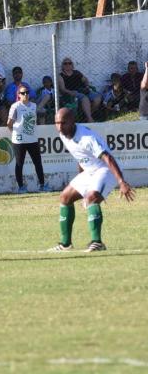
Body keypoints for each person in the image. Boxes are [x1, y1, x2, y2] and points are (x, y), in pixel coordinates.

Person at [48, 108, 135, 253]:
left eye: (63, 123)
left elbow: (108, 158)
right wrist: (81, 181)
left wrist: (121, 182)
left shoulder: (87, 137)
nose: (59, 127)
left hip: (104, 170)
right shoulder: (63, 134)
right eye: (57, 123)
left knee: (91, 198)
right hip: (90, 171)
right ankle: (65, 244)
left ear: (72, 122)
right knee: (65, 197)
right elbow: (80, 156)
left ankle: (97, 242)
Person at [7, 86, 50, 194]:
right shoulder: (15, 106)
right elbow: (9, 123)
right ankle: (21, 187)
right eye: (23, 93)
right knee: (19, 163)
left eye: (27, 92)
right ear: (19, 95)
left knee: (38, 162)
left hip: (32, 139)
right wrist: (15, 132)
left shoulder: (34, 106)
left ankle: (42, 185)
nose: (25, 94)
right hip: (19, 140)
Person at [58, 57, 102, 123]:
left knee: (97, 98)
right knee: (85, 98)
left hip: (83, 90)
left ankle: (86, 115)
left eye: (69, 63)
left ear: (72, 65)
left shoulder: (77, 72)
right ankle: (89, 119)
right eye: (65, 63)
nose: (68, 65)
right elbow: (62, 89)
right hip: (73, 92)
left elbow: (85, 80)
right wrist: (70, 92)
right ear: (62, 66)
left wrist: (87, 86)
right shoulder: (60, 76)